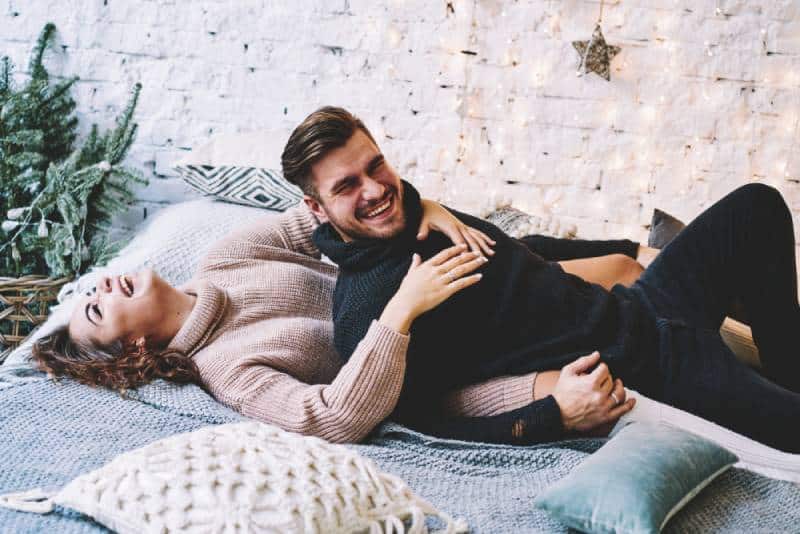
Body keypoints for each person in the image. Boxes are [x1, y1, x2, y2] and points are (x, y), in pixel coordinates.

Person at [286, 106, 800, 453]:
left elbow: (522, 252)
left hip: (642, 307)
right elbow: (424, 427)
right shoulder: (370, 311)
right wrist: (552, 417)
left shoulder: (420, 214)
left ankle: (787, 369)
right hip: (651, 371)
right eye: (348, 186)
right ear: (316, 207)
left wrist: (625, 248)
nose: (376, 189)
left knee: (756, 204)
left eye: (377, 166)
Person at [30, 185, 643, 443]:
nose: (105, 283)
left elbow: (331, 212)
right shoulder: (229, 371)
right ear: (133, 351)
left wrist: (421, 203)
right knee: (612, 358)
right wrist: (400, 312)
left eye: (94, 289)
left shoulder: (227, 256)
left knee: (623, 264)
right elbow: (334, 417)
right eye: (97, 307)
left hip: (452, 275)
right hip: (448, 359)